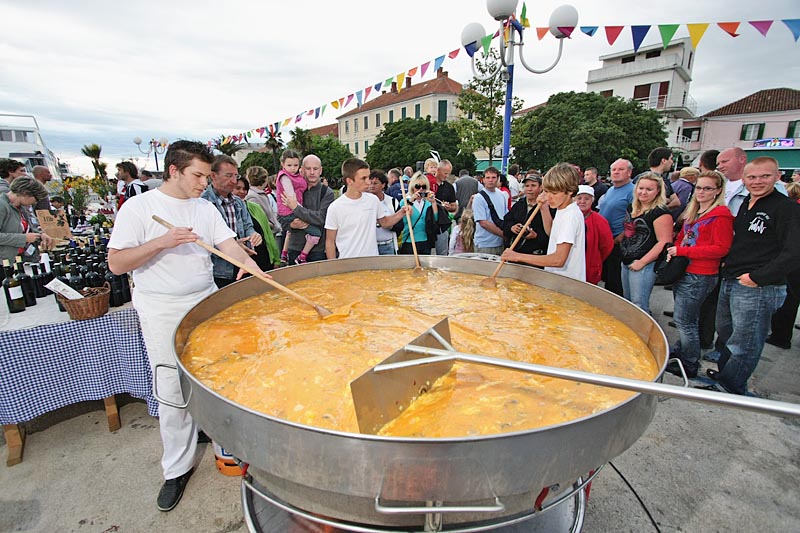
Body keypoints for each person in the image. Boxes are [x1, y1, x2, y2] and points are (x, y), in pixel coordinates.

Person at [107, 141, 268, 512]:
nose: (203, 182)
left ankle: (225, 448)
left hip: (206, 299)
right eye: (197, 175)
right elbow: (117, 263)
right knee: (172, 387)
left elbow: (228, 244)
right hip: (161, 307)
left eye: (206, 176)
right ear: (174, 171)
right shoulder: (139, 207)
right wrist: (163, 242)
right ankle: (176, 468)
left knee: (218, 378)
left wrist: (250, 264)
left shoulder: (205, 207)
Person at [703, 157, 800, 395]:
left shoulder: (787, 209)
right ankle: (726, 375)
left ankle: (732, 387)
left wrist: (758, 277)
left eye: (765, 176)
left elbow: (794, 252)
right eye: (752, 177)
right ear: (744, 179)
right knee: (726, 333)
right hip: (732, 279)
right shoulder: (747, 203)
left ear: (778, 177)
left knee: (744, 342)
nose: (757, 182)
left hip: (757, 287)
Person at [663, 171, 734, 378]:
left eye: (708, 188)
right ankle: (683, 352)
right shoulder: (695, 211)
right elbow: (684, 238)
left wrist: (683, 251)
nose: (702, 192)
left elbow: (721, 248)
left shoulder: (721, 215)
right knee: (683, 318)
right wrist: (675, 250)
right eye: (699, 188)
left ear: (718, 190)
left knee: (686, 321)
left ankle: (690, 363)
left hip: (700, 274)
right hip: (684, 270)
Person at [501, 163, 586, 281]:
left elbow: (559, 259)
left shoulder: (570, 216)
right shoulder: (562, 209)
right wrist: (544, 208)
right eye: (546, 191)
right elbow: (552, 232)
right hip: (556, 279)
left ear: (570, 191)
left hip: (566, 282)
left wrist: (517, 256)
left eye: (554, 193)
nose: (548, 197)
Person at [324, 158, 409, 259]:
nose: (368, 182)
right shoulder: (335, 207)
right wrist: (333, 269)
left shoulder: (373, 200)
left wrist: (402, 212)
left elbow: (385, 222)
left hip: (372, 262)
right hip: (347, 263)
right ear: (349, 181)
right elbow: (330, 241)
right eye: (363, 178)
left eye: (368, 177)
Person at [201, 154, 262, 287]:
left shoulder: (239, 202)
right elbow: (201, 241)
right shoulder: (203, 203)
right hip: (219, 271)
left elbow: (248, 226)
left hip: (243, 265)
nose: (234, 181)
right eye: (229, 176)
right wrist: (232, 246)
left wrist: (253, 235)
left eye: (236, 176)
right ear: (213, 176)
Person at [619, 173, 673, 314]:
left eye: (649, 189)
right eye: (641, 188)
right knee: (628, 302)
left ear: (658, 191)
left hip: (644, 265)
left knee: (639, 305)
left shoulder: (660, 212)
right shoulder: (632, 207)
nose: (643, 192)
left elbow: (664, 241)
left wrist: (642, 262)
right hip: (626, 261)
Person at [765, 181, 800, 349]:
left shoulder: (790, 210)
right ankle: (781, 334)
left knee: (790, 298)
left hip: (791, 263)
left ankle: (781, 336)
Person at [284, 155, 334, 264]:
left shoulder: (327, 192)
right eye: (308, 169)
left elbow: (321, 218)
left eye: (315, 169)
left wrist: (296, 209)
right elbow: (281, 218)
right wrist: (291, 225)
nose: (312, 172)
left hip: (317, 250)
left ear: (320, 170)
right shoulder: (292, 190)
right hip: (295, 248)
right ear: (301, 170)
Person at [274, 150, 320, 265]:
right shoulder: (285, 177)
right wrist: (299, 210)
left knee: (290, 230)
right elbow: (291, 198)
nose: (293, 168)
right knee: (316, 233)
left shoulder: (296, 176)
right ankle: (302, 256)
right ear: (282, 164)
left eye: (295, 165)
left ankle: (284, 253)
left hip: (288, 211)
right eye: (289, 165)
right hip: (290, 211)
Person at [598, 158, 635, 296]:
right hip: (606, 239)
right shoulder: (611, 189)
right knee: (608, 277)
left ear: (629, 172)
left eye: (621, 169)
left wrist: (621, 237)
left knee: (615, 281)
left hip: (618, 241)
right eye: (614, 169)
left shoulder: (633, 191)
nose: (616, 172)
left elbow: (635, 218)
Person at [0, 177, 54, 263]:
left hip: (22, 259)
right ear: (25, 193)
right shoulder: (2, 206)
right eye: (36, 199)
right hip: (5, 263)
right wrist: (24, 238)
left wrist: (40, 235)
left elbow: (25, 228)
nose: (35, 203)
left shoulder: (21, 208)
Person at [234, 175, 279, 270]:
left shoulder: (255, 207)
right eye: (238, 188)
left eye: (245, 189)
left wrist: (276, 259)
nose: (242, 191)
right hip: (241, 263)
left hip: (263, 259)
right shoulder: (227, 210)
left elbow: (268, 234)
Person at [501, 174, 553, 258]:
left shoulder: (548, 207)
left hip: (535, 255)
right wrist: (512, 227)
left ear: (540, 188)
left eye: (533, 185)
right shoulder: (519, 205)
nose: (529, 189)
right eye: (527, 186)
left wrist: (536, 236)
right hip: (514, 253)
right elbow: (505, 223)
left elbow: (551, 233)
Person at [574, 185, 614, 285]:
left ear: (592, 201)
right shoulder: (569, 217)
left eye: (586, 199)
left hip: (589, 267)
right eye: (579, 198)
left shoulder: (599, 221)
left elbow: (607, 245)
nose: (582, 201)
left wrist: (596, 260)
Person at [396, 172, 439, 255]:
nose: (420, 190)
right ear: (413, 187)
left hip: (425, 241)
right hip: (409, 240)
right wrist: (411, 201)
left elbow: (435, 219)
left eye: (424, 187)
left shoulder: (428, 203)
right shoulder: (404, 201)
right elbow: (403, 218)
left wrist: (433, 203)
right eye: (418, 186)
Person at [472, 166, 508, 255]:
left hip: (500, 243)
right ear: (483, 180)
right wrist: (503, 234)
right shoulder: (478, 198)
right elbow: (483, 223)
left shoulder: (502, 195)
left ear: (498, 179)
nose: (490, 180)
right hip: (485, 244)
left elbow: (505, 215)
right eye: (488, 178)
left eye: (493, 177)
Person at [368, 169, 400, 255]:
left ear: (383, 185)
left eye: (375, 183)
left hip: (388, 245)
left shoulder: (392, 202)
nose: (371, 186)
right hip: (370, 246)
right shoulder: (364, 203)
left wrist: (388, 224)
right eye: (370, 183)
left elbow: (400, 225)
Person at [433, 159, 457, 255]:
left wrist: (449, 207)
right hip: (427, 223)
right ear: (438, 170)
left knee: (442, 254)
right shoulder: (428, 184)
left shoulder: (449, 187)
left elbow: (454, 206)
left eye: (448, 173)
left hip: (442, 225)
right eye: (445, 173)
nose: (447, 176)